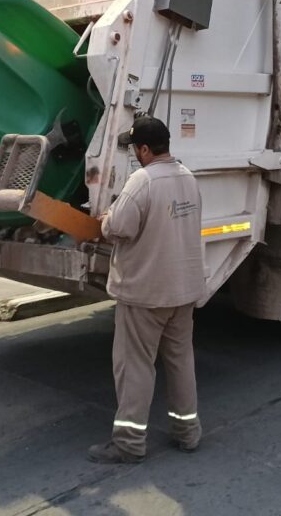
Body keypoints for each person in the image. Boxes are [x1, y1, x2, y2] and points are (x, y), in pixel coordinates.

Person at [87, 116, 206, 465]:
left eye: (134, 148)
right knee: (181, 361)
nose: (134, 155)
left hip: (146, 292)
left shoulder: (143, 181)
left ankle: (128, 442)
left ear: (143, 149)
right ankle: (188, 432)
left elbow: (116, 228)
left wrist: (107, 216)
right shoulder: (188, 177)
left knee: (136, 365)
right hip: (183, 290)